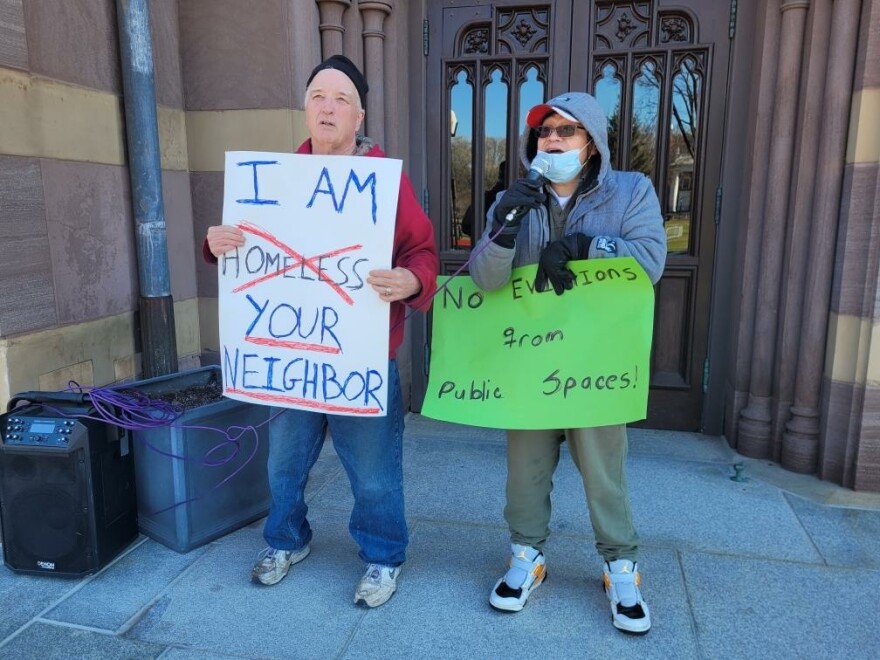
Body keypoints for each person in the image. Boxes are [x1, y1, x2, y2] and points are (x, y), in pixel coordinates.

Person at [204, 54, 439, 608]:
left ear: (359, 117)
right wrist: (216, 245)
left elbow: (423, 252)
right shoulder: (274, 182)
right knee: (283, 464)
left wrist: (410, 280)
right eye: (317, 96)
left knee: (376, 474)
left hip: (361, 359)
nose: (327, 107)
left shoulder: (385, 182)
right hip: (290, 358)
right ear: (306, 110)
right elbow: (250, 256)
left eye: (340, 99)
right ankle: (286, 541)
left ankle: (382, 556)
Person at [469, 92, 666, 634]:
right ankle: (526, 556)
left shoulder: (631, 190)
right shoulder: (514, 197)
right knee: (525, 471)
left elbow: (650, 261)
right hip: (530, 364)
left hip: (595, 362)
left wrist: (586, 245)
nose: (552, 139)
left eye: (566, 131)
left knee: (604, 471)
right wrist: (506, 226)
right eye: (544, 131)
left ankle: (620, 566)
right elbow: (484, 280)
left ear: (592, 144)